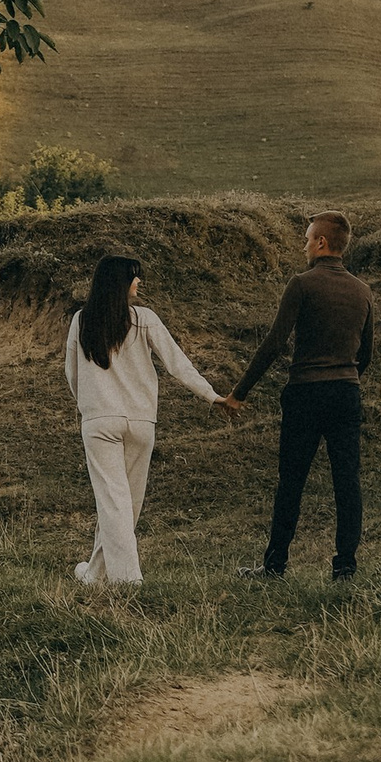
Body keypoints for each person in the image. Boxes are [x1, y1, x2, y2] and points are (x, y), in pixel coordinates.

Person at [64, 251, 229, 590]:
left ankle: (119, 578)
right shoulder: (144, 319)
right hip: (140, 422)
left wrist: (89, 406)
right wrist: (211, 395)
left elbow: (72, 373)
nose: (139, 281)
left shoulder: (82, 320)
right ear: (119, 282)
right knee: (126, 504)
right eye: (134, 276)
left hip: (100, 422)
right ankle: (104, 576)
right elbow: (178, 364)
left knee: (115, 503)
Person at [229, 212, 374, 581]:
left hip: (306, 393)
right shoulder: (362, 290)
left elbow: (275, 344)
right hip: (346, 393)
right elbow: (366, 354)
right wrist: (344, 378)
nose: (304, 245)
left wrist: (239, 392)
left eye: (308, 239)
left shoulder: (302, 284)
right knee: (348, 481)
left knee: (291, 482)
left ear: (322, 243)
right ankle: (345, 568)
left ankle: (275, 565)